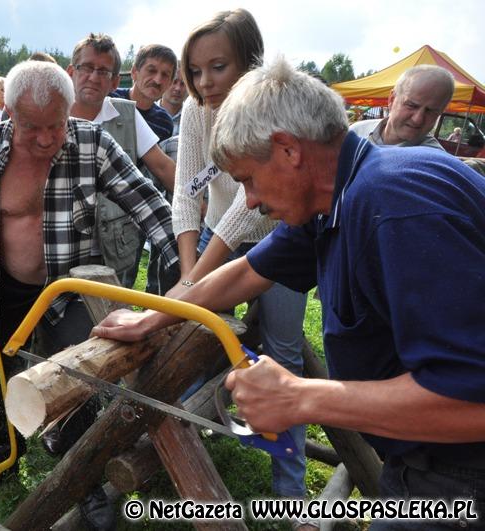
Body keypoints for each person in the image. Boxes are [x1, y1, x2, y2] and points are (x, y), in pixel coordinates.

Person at [94, 56, 485, 530]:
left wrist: (301, 398)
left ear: (287, 150)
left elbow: (472, 400)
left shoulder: (395, 206)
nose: (251, 200)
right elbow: (247, 272)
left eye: (248, 180)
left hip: (461, 472)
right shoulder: (338, 196)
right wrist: (154, 317)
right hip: (426, 459)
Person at [0, 61, 177, 526]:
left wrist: (189, 271)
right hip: (0, 287)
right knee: (1, 376)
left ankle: (84, 482)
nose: (46, 139)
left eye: (55, 125)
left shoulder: (92, 142)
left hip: (68, 289)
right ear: (9, 112)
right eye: (31, 127)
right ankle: (6, 456)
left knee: (81, 380)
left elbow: (150, 206)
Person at [169, 9, 310, 509]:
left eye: (218, 67)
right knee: (193, 341)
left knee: (283, 356)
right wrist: (189, 272)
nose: (205, 82)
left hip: (279, 237)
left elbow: (246, 214)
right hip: (215, 236)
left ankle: (291, 490)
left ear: (250, 62)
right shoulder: (196, 111)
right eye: (195, 70)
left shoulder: (270, 111)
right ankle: (182, 446)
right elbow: (187, 192)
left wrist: (195, 281)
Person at [67, 32, 178, 292]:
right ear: (71, 72)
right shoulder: (51, 111)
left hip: (113, 244)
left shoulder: (127, 114)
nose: (94, 77)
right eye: (87, 68)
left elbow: (162, 167)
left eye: (103, 71)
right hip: (59, 243)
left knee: (112, 307)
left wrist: (200, 207)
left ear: (115, 81)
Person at [350, 65, 454, 148]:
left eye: (430, 111)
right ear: (392, 99)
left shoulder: (434, 162)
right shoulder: (356, 132)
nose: (418, 119)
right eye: (411, 105)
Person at [110, 43, 177, 141]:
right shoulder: (109, 98)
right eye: (151, 71)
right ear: (134, 72)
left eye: (165, 75)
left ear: (170, 83)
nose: (158, 80)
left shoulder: (164, 123)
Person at [160, 65, 186, 135]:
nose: (178, 88)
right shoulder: (148, 114)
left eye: (183, 84)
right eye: (174, 82)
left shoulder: (193, 117)